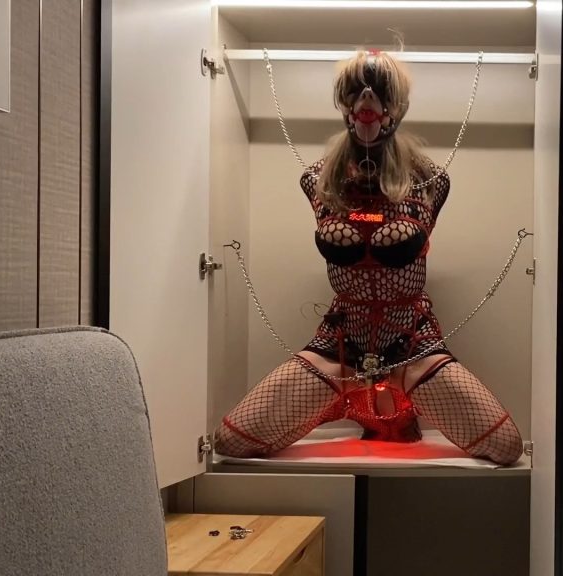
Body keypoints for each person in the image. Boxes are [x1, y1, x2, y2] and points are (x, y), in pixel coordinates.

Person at [215, 51, 523, 465]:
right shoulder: (317, 179)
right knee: (230, 441)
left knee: (505, 446)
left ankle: (391, 392)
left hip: (410, 339)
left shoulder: (430, 180)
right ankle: (349, 395)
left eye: (379, 92)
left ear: (397, 104)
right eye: (355, 91)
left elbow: (508, 448)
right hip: (342, 341)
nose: (366, 101)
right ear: (343, 102)